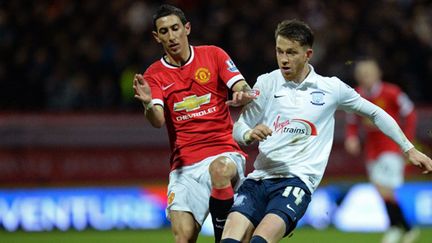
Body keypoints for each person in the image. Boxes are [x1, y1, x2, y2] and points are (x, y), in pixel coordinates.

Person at [220, 19, 432, 243]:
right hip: (258, 178)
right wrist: (248, 134)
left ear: (308, 54)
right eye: (279, 51)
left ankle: (401, 228)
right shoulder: (266, 83)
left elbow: (376, 113)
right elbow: (240, 127)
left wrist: (409, 149)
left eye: (291, 52)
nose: (283, 59)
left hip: (295, 182)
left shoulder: (331, 88)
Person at [132, 4, 256, 243]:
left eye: (175, 28)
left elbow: (242, 86)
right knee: (184, 237)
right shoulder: (154, 74)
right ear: (157, 37)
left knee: (219, 171)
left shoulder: (213, 55)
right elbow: (157, 120)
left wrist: (244, 94)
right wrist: (148, 104)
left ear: (186, 28)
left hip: (223, 151)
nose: (171, 36)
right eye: (164, 31)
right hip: (184, 166)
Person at [345, 58, 420, 243]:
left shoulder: (392, 92)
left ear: (378, 74)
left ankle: (397, 228)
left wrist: (406, 141)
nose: (365, 78)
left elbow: (410, 113)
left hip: (390, 147)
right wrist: (351, 136)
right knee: (382, 190)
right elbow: (352, 120)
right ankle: (405, 228)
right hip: (371, 150)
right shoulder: (356, 95)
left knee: (384, 188)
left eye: (368, 74)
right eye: (362, 75)